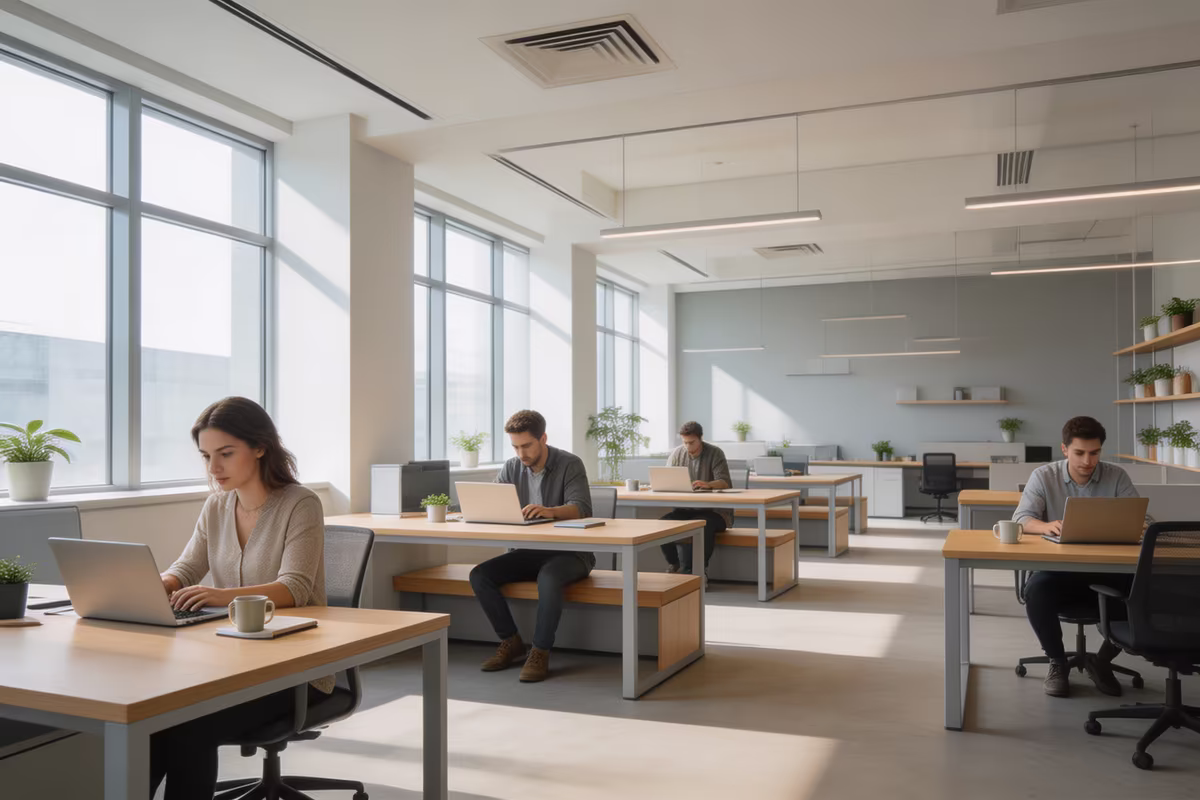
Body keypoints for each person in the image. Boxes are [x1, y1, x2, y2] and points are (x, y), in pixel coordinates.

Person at [151, 397, 328, 800]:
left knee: (188, 725)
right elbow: (186, 568)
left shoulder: (300, 503)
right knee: (155, 719)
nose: (214, 468)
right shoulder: (216, 505)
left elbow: (295, 587)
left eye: (226, 454)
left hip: (295, 669)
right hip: (230, 665)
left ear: (260, 447)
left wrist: (220, 594)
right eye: (206, 456)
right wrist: (151, 585)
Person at [1012, 415, 1140, 698]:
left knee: (1141, 591)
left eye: (1094, 453)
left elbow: (1140, 515)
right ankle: (1057, 662)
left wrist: (1138, 523)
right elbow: (1021, 518)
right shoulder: (1044, 476)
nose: (1087, 461)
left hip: (1107, 568)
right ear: (1065, 449)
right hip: (1059, 570)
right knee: (1036, 590)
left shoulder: (1116, 476)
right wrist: (1046, 525)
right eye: (1079, 452)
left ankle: (1102, 661)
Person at [468, 410, 593, 683]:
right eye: (515, 446)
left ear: (543, 438)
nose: (521, 453)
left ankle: (540, 651)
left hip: (571, 553)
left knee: (548, 577)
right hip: (528, 551)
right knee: (479, 575)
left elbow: (581, 508)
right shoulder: (512, 467)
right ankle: (510, 641)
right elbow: (494, 500)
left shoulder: (570, 464)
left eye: (526, 445)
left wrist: (548, 511)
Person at [659, 421, 731, 577]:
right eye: (685, 442)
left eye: (691, 443)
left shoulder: (715, 453)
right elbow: (667, 478)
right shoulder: (677, 453)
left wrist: (708, 484)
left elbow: (724, 482)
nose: (688, 447)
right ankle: (674, 563)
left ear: (701, 438)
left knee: (702, 525)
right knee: (662, 523)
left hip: (715, 512)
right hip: (685, 510)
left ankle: (699, 570)